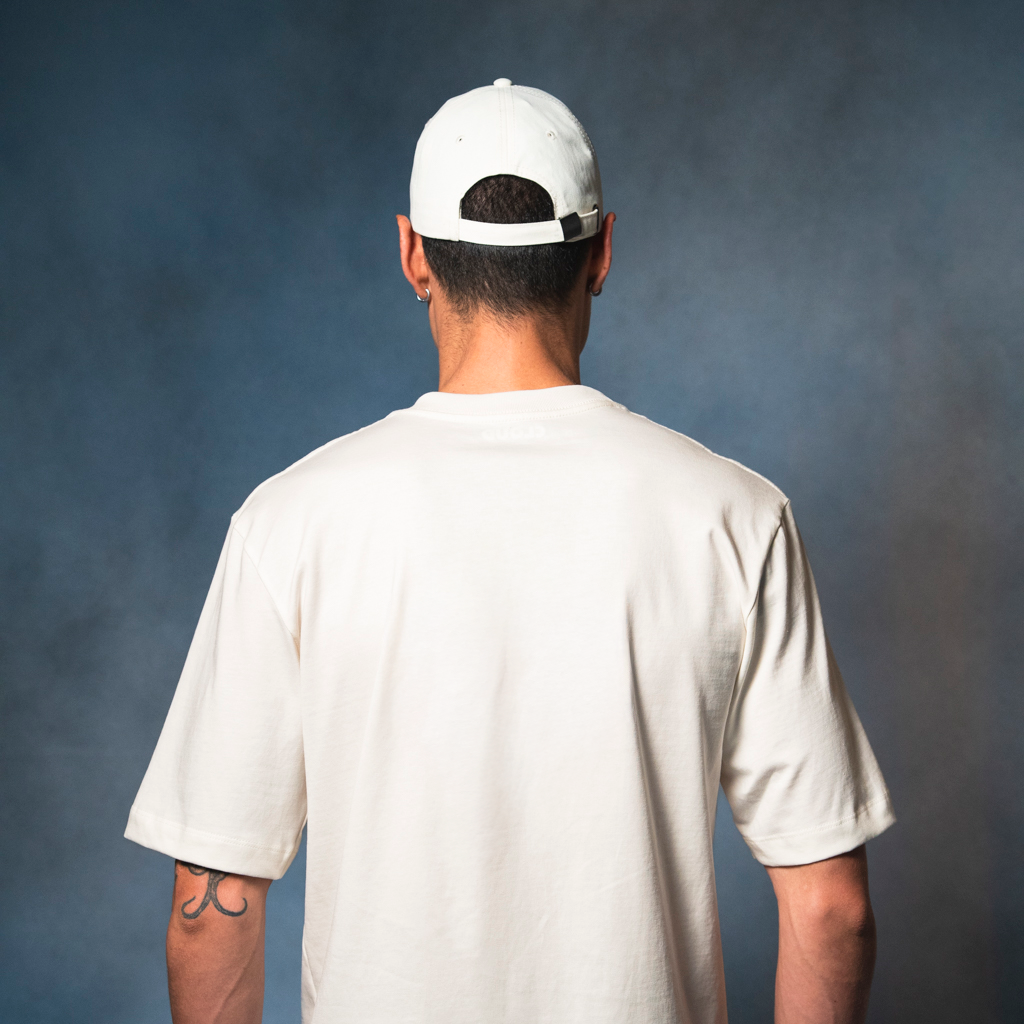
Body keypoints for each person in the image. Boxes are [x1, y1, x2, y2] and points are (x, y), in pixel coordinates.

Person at [125, 79, 895, 1024]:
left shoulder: (288, 524)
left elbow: (212, 908)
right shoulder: (736, 518)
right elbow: (831, 909)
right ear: (602, 251)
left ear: (412, 252)